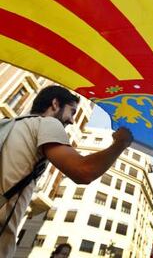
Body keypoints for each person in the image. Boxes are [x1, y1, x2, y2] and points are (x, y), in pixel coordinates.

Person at [0, 85, 133, 257]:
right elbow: (83, 171)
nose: (71, 121)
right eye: (72, 112)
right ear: (55, 104)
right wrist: (120, 144)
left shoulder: (7, 124)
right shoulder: (48, 123)